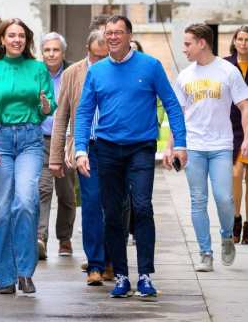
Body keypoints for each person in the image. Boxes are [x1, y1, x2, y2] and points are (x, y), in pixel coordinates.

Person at [74, 15, 186, 298]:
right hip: (107, 149)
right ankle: (122, 275)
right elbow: (85, 112)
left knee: (142, 207)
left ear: (129, 36)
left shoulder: (150, 66)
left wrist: (180, 144)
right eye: (108, 33)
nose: (112, 37)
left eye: (118, 33)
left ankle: (145, 275)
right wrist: (79, 149)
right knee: (111, 213)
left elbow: (172, 105)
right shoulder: (97, 72)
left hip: (141, 148)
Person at [0, 18, 56, 295]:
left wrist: (45, 105)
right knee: (0, 210)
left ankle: (25, 272)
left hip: (30, 140)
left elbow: (49, 106)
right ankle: (6, 276)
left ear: (27, 40)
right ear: (2, 39)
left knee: (24, 201)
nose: (17, 40)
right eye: (11, 35)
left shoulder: (37, 68)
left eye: (21, 35)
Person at [166, 23, 248, 271]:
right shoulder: (185, 76)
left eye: (188, 43)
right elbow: (177, 114)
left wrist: (246, 138)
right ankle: (205, 253)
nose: (184, 49)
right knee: (198, 200)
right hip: (193, 147)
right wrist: (172, 146)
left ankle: (226, 235)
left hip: (222, 145)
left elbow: (244, 106)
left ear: (202, 43)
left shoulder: (228, 71)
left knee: (224, 198)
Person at [49, 30, 112, 285]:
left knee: (116, 206)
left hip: (116, 146)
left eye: (104, 56)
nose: (99, 62)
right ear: (87, 49)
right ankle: (95, 264)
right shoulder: (73, 73)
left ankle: (111, 260)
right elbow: (61, 115)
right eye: (95, 57)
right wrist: (56, 156)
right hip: (86, 148)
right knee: (92, 203)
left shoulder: (117, 69)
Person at [37, 32, 76, 260]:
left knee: (66, 192)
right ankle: (40, 238)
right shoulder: (36, 73)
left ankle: (65, 238)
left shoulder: (72, 73)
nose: (51, 54)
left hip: (66, 139)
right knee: (42, 189)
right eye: (47, 50)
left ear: (63, 52)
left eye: (56, 50)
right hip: (41, 139)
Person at [226, 25, 248, 244]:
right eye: (240, 39)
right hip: (233, 128)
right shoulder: (225, 64)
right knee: (235, 175)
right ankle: (236, 218)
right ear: (234, 41)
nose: (243, 43)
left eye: (247, 39)